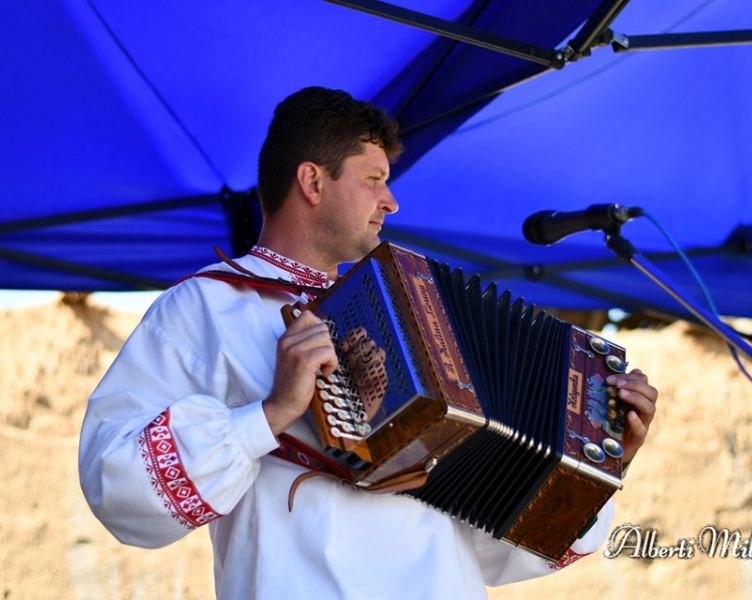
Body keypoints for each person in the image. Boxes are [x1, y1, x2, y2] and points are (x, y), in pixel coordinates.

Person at [79, 86, 658, 599]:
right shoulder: (206, 307)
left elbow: (502, 551)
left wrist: (600, 456)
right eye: (374, 180)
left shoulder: (431, 322)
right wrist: (270, 414)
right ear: (312, 181)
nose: (392, 201)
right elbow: (118, 484)